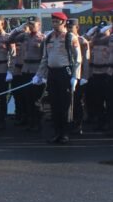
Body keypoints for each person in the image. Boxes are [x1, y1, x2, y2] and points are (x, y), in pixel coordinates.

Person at [33, 11, 81, 143]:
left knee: (64, 105)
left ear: (63, 22)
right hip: (52, 74)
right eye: (53, 21)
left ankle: (64, 133)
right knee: (54, 105)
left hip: (65, 74)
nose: (54, 24)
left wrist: (75, 77)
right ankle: (57, 132)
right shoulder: (48, 37)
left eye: (56, 21)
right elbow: (45, 58)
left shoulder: (70, 37)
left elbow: (78, 59)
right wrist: (38, 74)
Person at [67, 19, 90, 134]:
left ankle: (78, 124)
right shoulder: (64, 39)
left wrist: (84, 76)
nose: (69, 30)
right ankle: (68, 122)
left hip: (79, 75)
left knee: (77, 101)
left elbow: (85, 60)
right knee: (67, 101)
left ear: (77, 28)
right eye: (67, 28)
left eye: (71, 28)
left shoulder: (82, 41)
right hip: (67, 73)